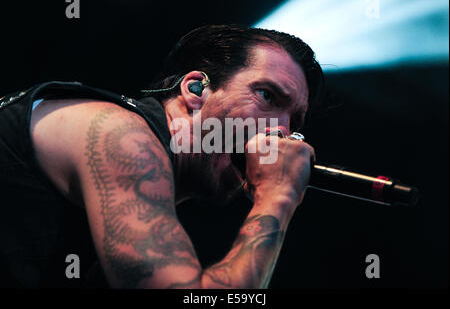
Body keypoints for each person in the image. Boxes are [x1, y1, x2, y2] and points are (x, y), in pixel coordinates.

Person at [0, 24, 325, 288]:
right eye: (267, 95)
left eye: (294, 122)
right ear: (196, 90)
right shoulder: (120, 136)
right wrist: (277, 196)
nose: (283, 133)